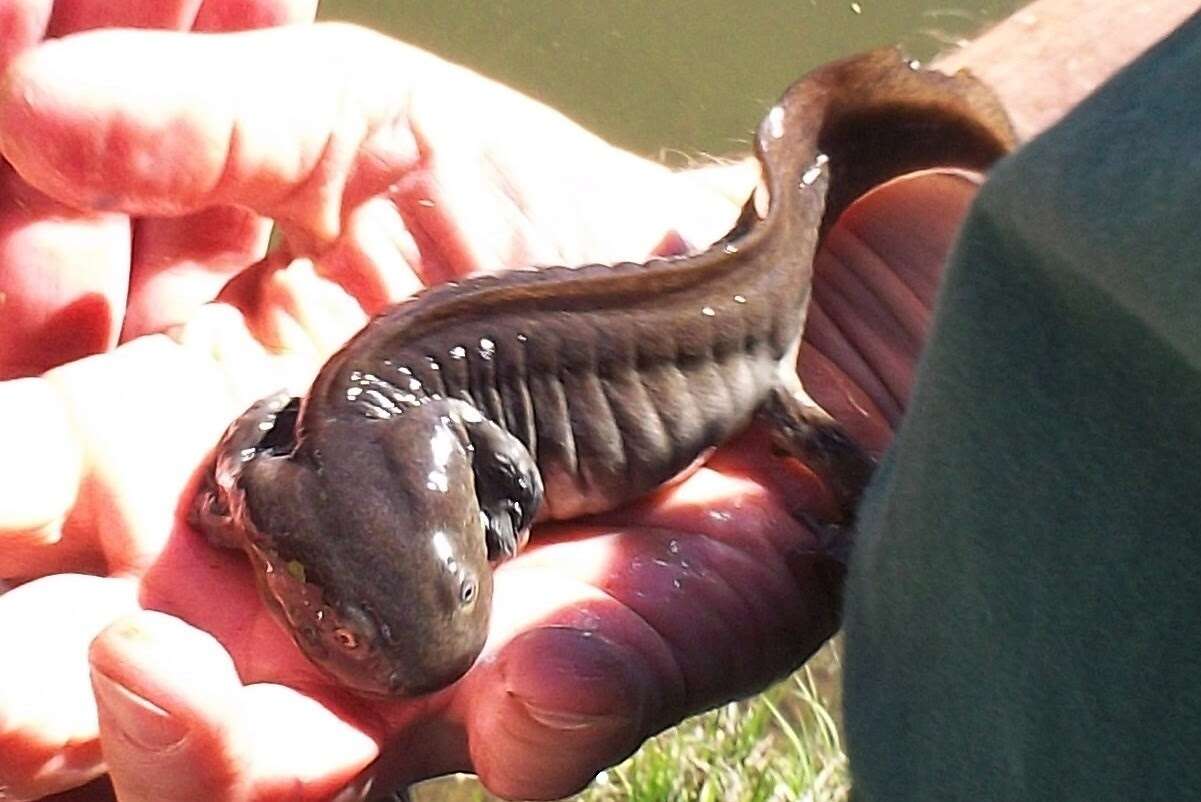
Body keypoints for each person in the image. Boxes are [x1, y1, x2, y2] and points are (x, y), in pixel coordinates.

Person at [0, 1, 1195, 801]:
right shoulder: (266, 480)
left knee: (831, 460)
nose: (435, 644)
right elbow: (269, 445)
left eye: (468, 584)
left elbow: (453, 459)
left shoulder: (334, 460)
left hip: (739, 343)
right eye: (355, 637)